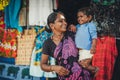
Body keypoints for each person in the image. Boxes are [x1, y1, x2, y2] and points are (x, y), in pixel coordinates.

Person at [40, 11, 91, 80]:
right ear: (52, 25)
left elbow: (86, 50)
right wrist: (54, 67)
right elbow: (43, 65)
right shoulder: (48, 43)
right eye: (61, 21)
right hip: (64, 77)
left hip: (82, 76)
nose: (65, 23)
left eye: (65, 21)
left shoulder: (73, 35)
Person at [70, 7, 99, 77]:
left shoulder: (90, 25)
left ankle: (95, 69)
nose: (79, 19)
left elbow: (94, 37)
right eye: (78, 17)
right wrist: (71, 26)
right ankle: (90, 73)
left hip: (87, 50)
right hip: (80, 51)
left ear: (89, 17)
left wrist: (93, 47)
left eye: (81, 16)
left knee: (83, 64)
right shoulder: (78, 26)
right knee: (82, 65)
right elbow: (72, 29)